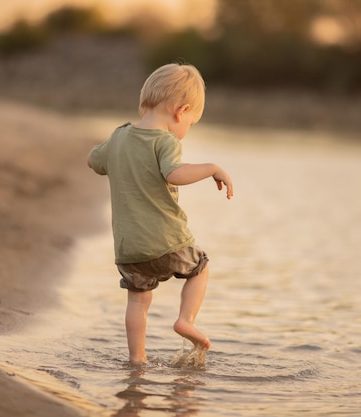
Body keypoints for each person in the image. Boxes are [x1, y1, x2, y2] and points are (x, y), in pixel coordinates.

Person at [87, 63, 233, 365]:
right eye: (190, 123)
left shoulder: (119, 137)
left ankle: (137, 360)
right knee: (200, 268)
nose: (185, 131)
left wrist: (118, 154)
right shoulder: (165, 141)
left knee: (138, 301)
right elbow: (174, 174)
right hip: (166, 240)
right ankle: (185, 320)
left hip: (129, 248)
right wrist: (212, 168)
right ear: (182, 110)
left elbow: (93, 160)